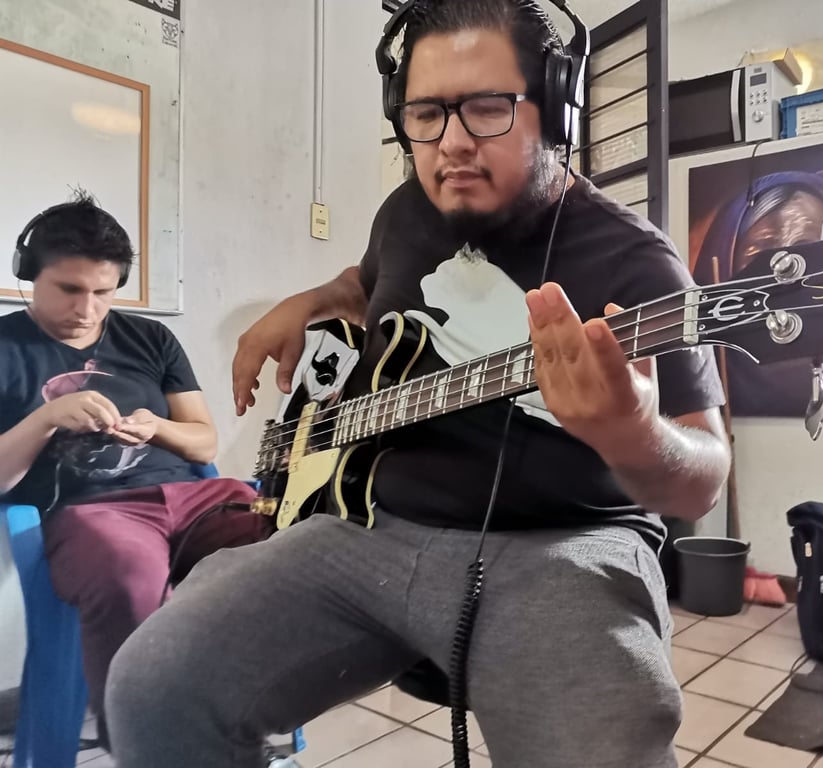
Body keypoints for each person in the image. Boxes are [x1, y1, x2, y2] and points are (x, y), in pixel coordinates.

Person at [105, 2, 731, 766]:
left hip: (565, 546)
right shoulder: (408, 209)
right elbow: (372, 282)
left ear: (557, 109)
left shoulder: (641, 261)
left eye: (489, 108)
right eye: (426, 113)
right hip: (371, 525)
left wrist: (633, 433)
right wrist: (310, 302)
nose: (453, 143)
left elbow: (704, 477)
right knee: (153, 686)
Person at [0, 193, 274, 748]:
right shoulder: (6, 346)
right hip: (91, 512)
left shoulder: (151, 339)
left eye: (104, 291)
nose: (89, 309)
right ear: (30, 275)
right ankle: (147, 744)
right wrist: (48, 418)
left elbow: (203, 441)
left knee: (287, 536)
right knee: (128, 574)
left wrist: (157, 426)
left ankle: (246, 723)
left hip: (191, 495)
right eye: (69, 290)